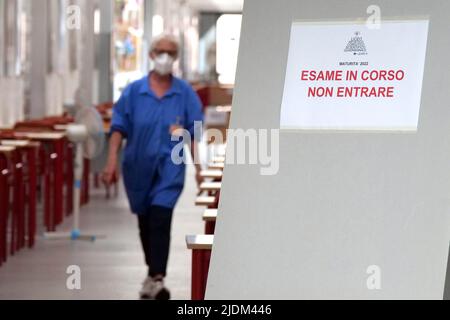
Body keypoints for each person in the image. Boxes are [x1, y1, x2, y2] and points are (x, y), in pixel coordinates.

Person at [102, 34, 204, 300]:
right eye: (161, 51)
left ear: (176, 57)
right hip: (137, 168)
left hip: (171, 169)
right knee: (145, 221)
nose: (165, 57)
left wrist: (199, 168)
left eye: (171, 52)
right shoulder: (134, 92)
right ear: (150, 54)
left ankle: (158, 277)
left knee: (161, 217)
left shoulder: (184, 94)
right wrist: (111, 161)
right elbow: (118, 129)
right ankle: (152, 274)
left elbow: (194, 134)